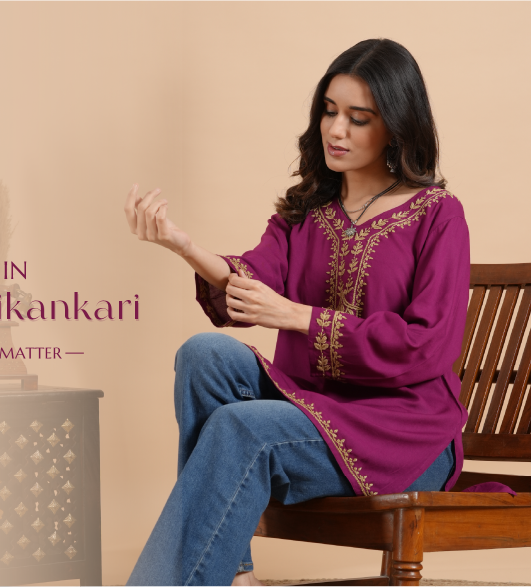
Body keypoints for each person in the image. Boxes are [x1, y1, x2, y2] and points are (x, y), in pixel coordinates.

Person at [122, 38, 469, 587]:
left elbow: (427, 344)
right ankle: (233, 575)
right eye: (330, 111)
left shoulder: (438, 216)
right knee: (203, 354)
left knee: (239, 426)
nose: (336, 130)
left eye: (358, 118)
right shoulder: (307, 211)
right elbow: (251, 280)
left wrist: (300, 317)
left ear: (396, 126)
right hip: (311, 408)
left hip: (404, 432)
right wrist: (182, 246)